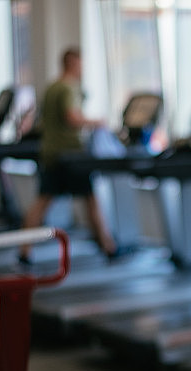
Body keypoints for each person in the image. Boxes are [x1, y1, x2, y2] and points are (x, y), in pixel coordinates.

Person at [20, 47, 117, 261]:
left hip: (51, 152)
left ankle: (24, 249)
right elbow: (71, 117)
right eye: (81, 64)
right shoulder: (67, 88)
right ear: (72, 63)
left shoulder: (52, 87)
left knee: (43, 201)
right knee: (90, 199)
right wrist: (98, 122)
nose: (83, 68)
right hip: (69, 155)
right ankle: (108, 246)